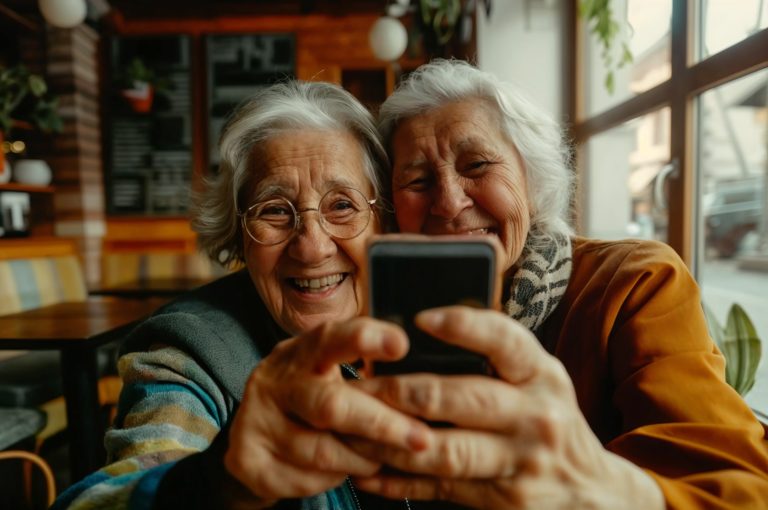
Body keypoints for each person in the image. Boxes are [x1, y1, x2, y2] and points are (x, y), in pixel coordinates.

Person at [335, 59, 768, 509]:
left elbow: (735, 488)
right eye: (418, 180)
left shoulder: (632, 284)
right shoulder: (379, 319)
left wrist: (592, 488)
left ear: (531, 174)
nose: (448, 201)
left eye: (477, 164)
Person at [52, 81, 431, 509]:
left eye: (341, 205)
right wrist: (219, 481)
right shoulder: (191, 354)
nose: (311, 246)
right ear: (238, 237)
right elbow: (100, 500)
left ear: (383, 220)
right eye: (273, 210)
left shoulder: (435, 325)